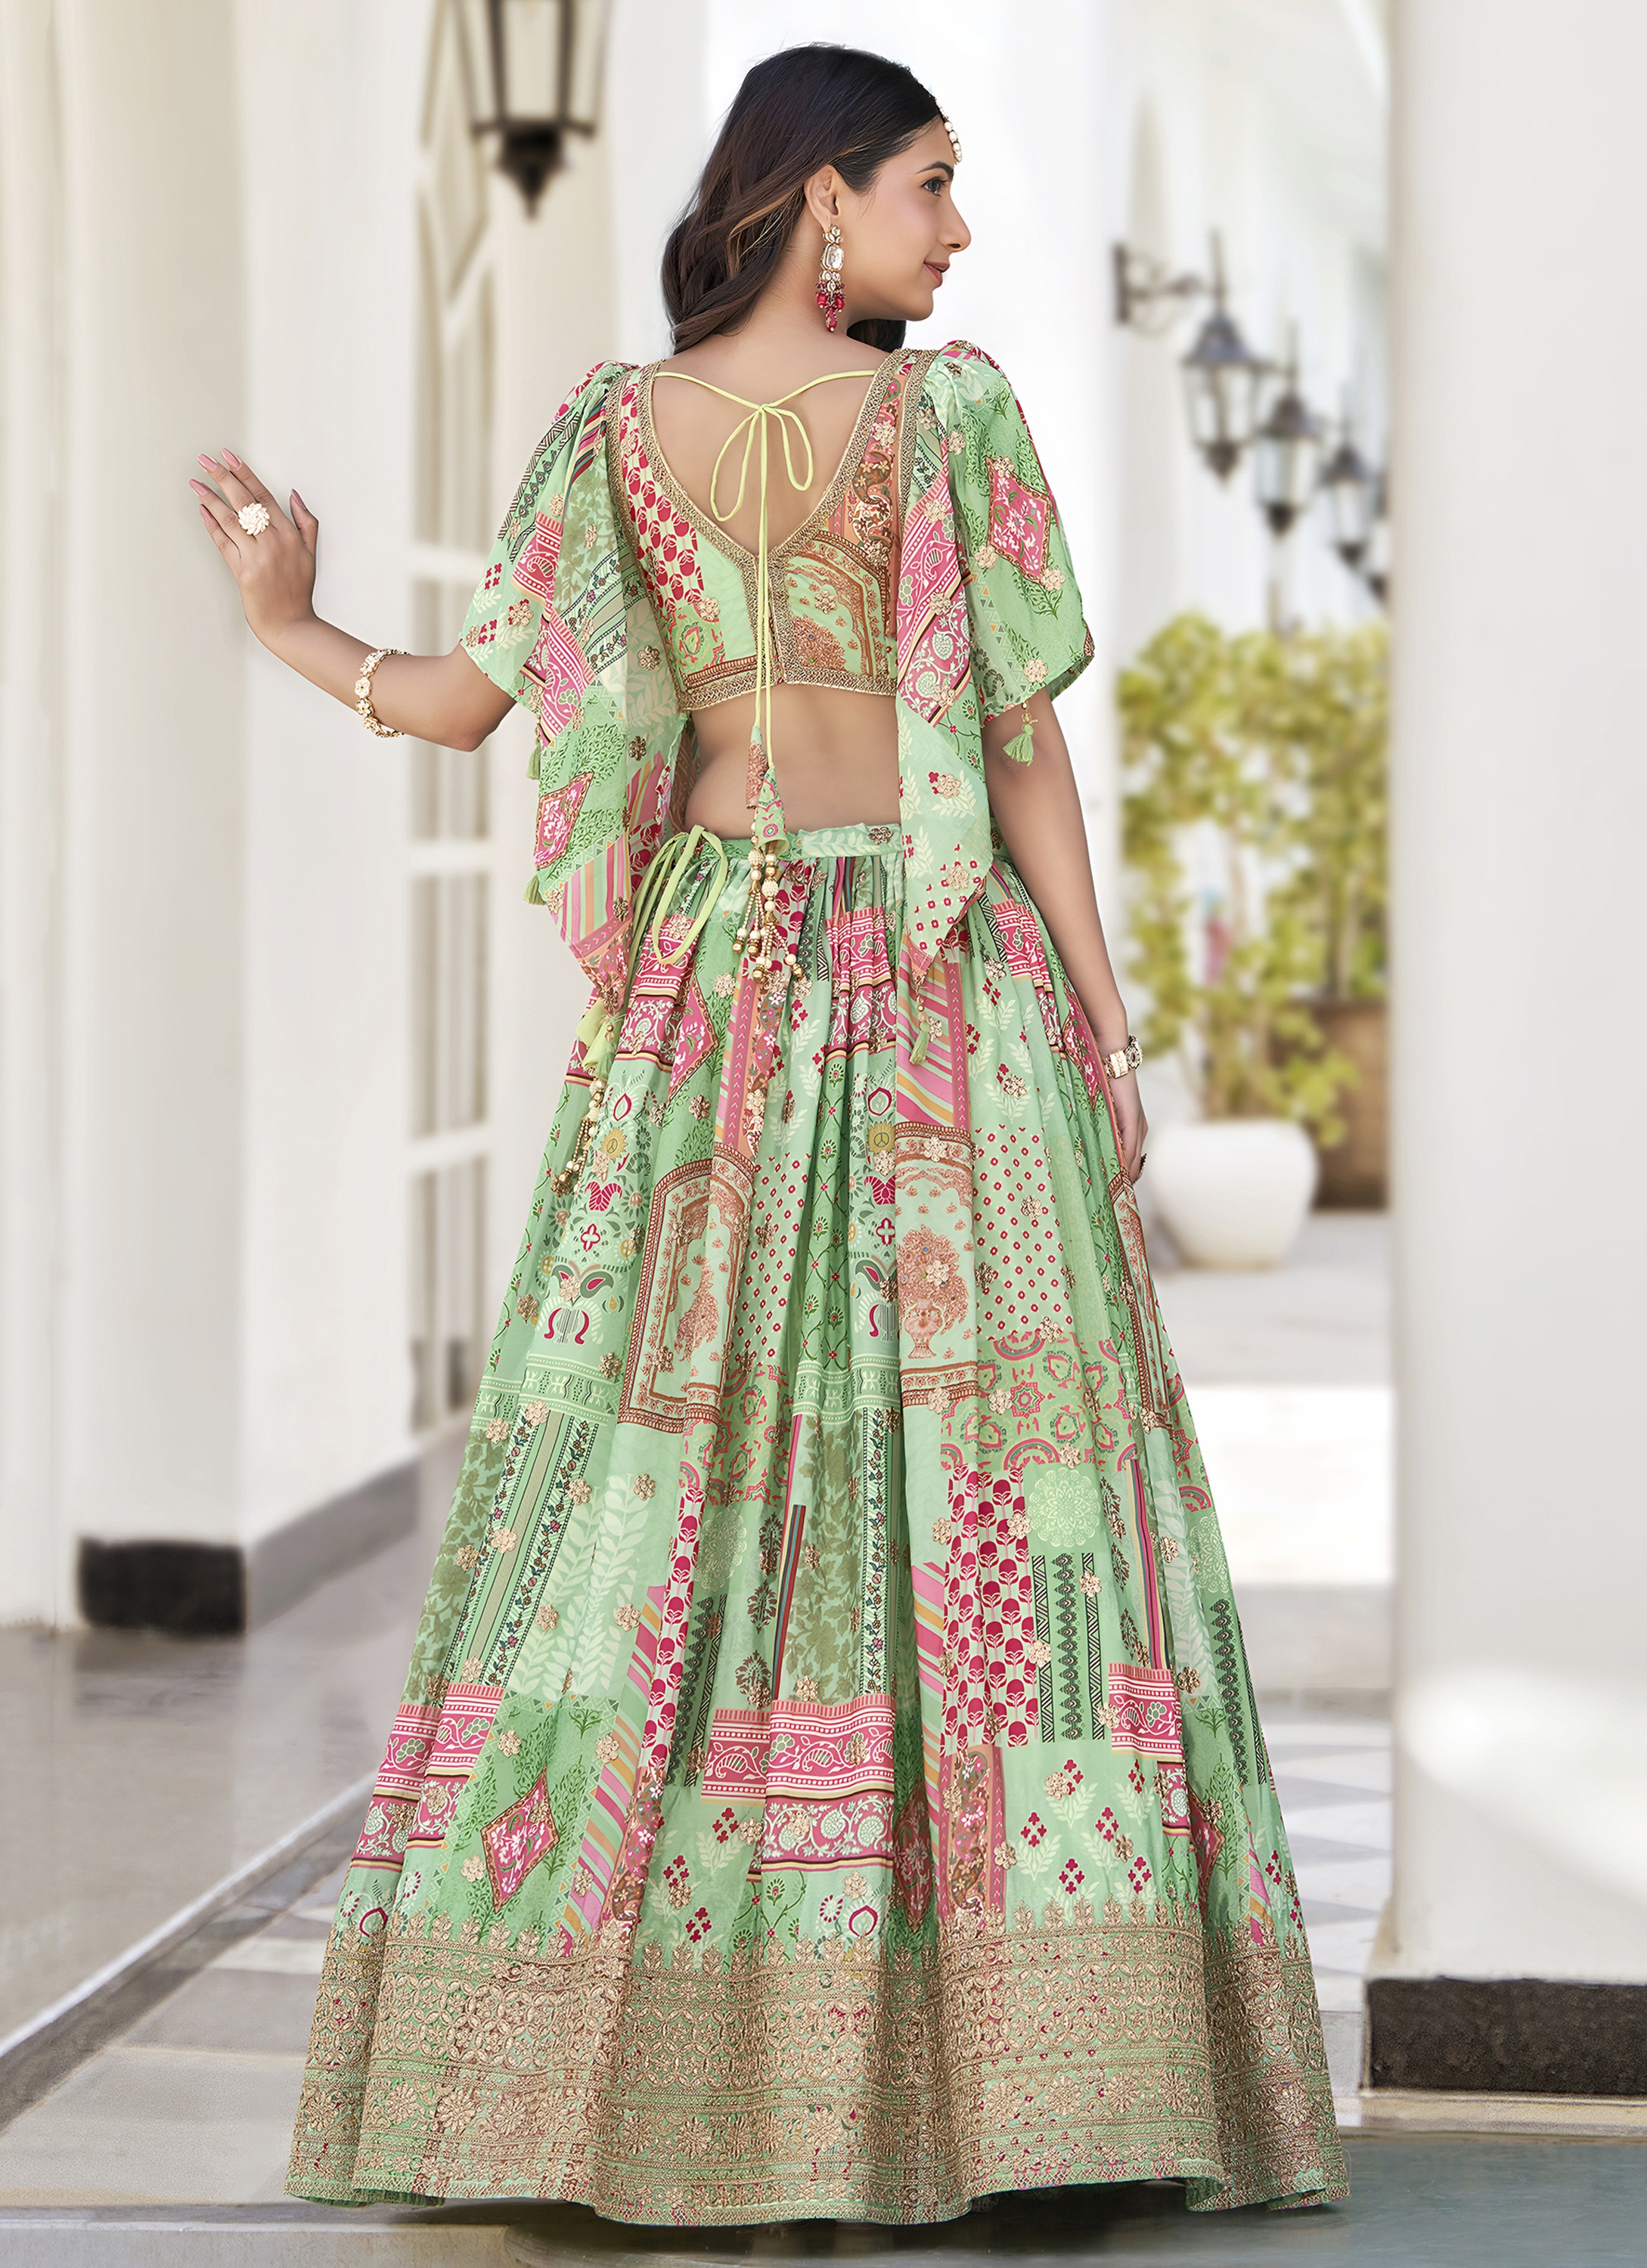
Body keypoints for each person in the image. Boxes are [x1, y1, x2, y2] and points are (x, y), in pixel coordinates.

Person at [192, 42, 1345, 2228]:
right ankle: (1021, 2085)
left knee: (667, 1485)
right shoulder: (949, 421)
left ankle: (638, 2068)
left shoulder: (613, 436)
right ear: (823, 196)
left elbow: (459, 703)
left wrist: (287, 624)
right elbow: (1016, 751)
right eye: (928, 186)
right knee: (993, 1479)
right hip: (936, 990)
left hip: (714, 999)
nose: (956, 230)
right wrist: (1105, 1025)